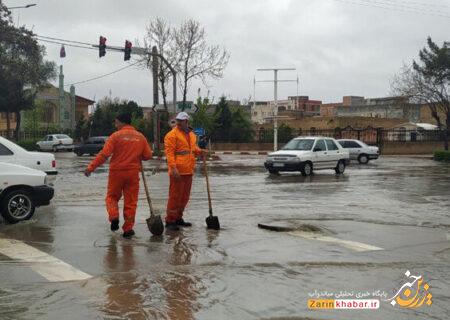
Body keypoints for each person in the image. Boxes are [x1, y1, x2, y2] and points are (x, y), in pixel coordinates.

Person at [84, 113, 152, 238]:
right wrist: (138, 155)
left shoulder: (115, 136)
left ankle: (114, 216)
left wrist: (90, 168)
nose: (115, 125)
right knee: (131, 202)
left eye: (116, 122)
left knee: (111, 197)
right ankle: (128, 229)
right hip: (132, 173)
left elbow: (104, 155)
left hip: (116, 172)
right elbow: (148, 156)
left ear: (122, 122)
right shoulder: (140, 137)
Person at [164, 112, 207, 231]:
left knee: (184, 197)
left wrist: (200, 151)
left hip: (188, 170)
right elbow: (169, 153)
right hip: (177, 171)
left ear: (187, 122)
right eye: (178, 120)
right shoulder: (171, 135)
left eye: (181, 121)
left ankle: (178, 218)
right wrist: (173, 168)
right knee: (175, 197)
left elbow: (191, 149)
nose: (178, 123)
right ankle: (170, 220)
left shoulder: (192, 135)